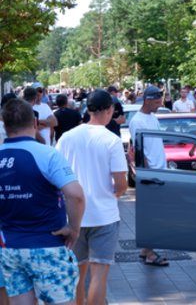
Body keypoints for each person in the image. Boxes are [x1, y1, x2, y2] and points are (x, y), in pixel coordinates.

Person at [0, 99, 85, 304]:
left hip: (10, 248)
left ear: (5, 125)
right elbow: (76, 195)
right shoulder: (47, 155)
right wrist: (74, 228)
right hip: (47, 245)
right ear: (35, 124)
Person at [56, 89, 128, 305]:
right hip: (104, 216)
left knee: (76, 274)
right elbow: (121, 183)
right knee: (99, 275)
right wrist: (115, 194)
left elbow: (55, 175)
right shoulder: (112, 140)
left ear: (87, 110)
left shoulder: (66, 138)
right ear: (109, 110)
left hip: (72, 217)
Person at [128, 85, 170, 266]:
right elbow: (139, 150)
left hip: (159, 170)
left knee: (155, 213)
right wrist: (146, 175)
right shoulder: (137, 121)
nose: (160, 104)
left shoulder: (152, 117)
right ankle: (151, 254)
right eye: (157, 101)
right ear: (147, 100)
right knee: (152, 215)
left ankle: (146, 249)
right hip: (151, 174)